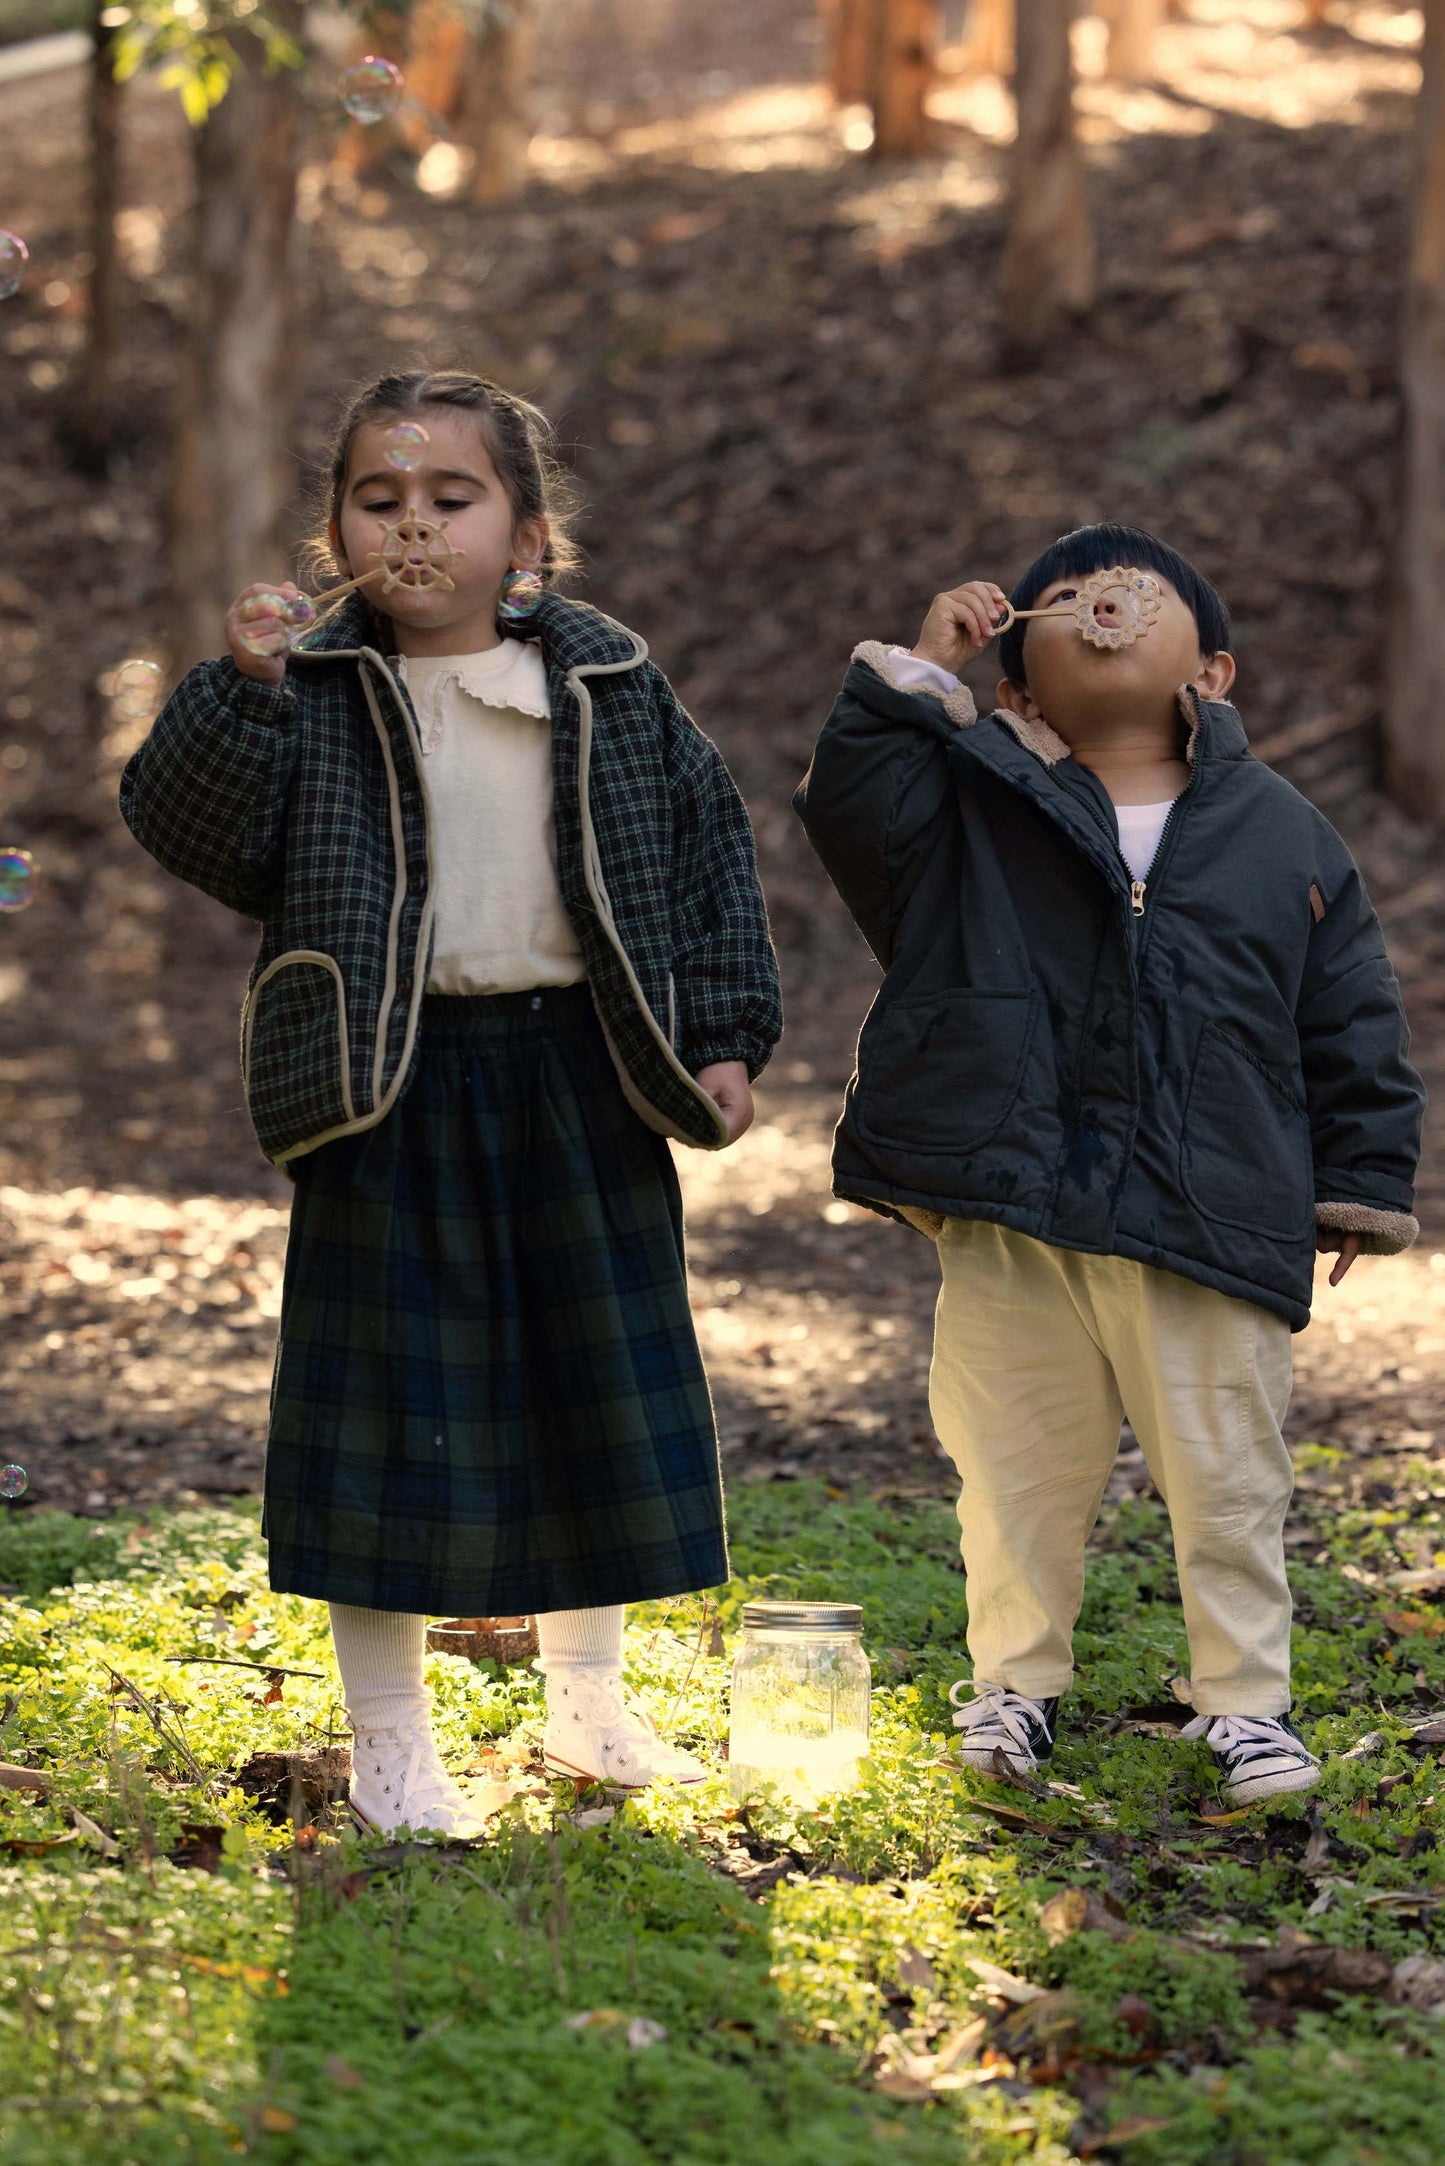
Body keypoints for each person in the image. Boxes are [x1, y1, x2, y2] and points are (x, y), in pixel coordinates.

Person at [121, 368, 780, 1836]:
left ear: (528, 534)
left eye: (451, 495)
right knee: (387, 1416)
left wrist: (726, 1029)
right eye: (378, 497)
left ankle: (590, 1702)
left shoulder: (606, 680)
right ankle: (389, 1742)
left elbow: (704, 855)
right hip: (385, 1080)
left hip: (578, 1069)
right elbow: (191, 830)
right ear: (333, 533)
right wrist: (240, 691)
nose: (412, 523)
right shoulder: (312, 687)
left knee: (586, 1387)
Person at [795, 522, 1423, 1809]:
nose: (1099, 607)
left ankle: (1243, 1703)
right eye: (1063, 600)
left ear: (1212, 673)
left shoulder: (1278, 830)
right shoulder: (971, 804)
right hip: (1015, 1202)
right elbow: (851, 807)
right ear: (1021, 679)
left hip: (1212, 1203)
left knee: (1225, 1476)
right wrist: (922, 672)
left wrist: (1358, 1172)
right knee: (1012, 1467)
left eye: (1133, 597)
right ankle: (1012, 1687)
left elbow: (1346, 1007)